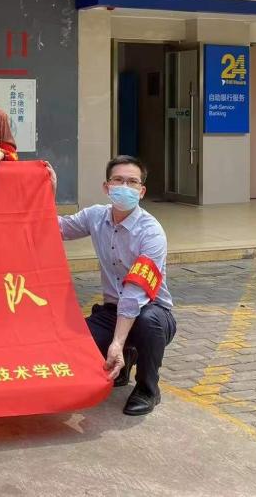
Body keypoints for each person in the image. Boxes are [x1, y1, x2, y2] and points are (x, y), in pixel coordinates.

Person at [49, 156, 176, 416]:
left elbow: (135, 294)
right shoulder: (96, 216)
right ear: (107, 187)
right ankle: (124, 358)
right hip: (111, 311)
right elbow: (57, 229)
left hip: (152, 311)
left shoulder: (151, 233)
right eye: (118, 180)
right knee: (76, 345)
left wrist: (116, 342)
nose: (124, 187)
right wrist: (48, 192)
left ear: (141, 191)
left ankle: (148, 389)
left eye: (132, 182)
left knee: (147, 322)